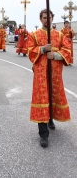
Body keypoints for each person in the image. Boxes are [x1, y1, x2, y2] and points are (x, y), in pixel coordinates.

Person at [27, 8, 71, 148]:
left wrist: (56, 55)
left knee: (52, 97)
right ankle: (43, 134)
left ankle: (50, 118)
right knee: (42, 98)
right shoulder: (34, 34)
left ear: (52, 18)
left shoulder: (59, 35)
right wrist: (42, 49)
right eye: (44, 17)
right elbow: (30, 50)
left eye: (49, 17)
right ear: (41, 19)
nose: (47, 19)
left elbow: (68, 50)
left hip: (55, 73)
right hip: (40, 74)